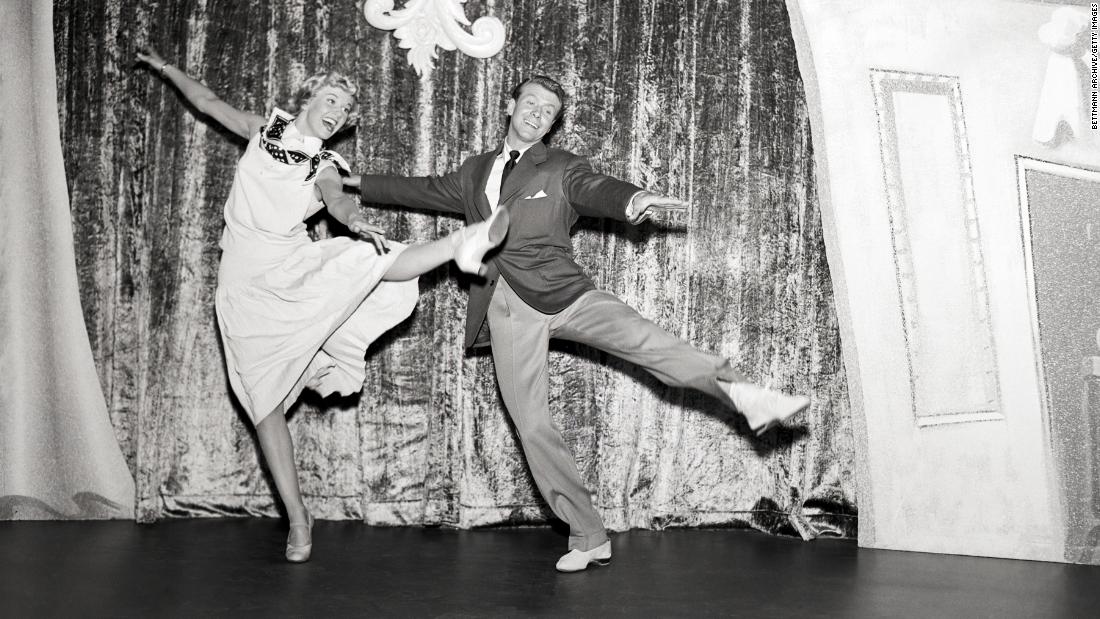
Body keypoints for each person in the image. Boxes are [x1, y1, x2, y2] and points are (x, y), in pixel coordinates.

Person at [345, 75, 811, 572]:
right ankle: (588, 534)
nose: (538, 113)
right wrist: (356, 183)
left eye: (549, 110)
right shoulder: (475, 170)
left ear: (554, 122)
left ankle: (744, 393)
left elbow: (595, 189)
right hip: (505, 306)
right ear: (510, 106)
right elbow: (422, 190)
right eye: (531, 103)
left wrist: (633, 200)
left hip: (564, 291)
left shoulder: (562, 167)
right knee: (532, 425)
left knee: (645, 340)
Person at [135, 48, 509, 563]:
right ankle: (298, 518)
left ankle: (459, 245)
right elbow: (206, 100)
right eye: (331, 99)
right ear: (308, 98)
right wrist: (165, 68)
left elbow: (335, 198)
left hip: (289, 266)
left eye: (345, 110)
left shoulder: (327, 163)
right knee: (262, 406)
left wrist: (353, 218)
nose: (336, 111)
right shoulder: (262, 129)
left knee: (365, 259)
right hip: (242, 287)